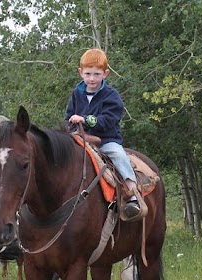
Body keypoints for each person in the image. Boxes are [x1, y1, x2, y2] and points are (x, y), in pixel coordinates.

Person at [64, 48, 146, 222]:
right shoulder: (76, 94)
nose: (92, 78)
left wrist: (85, 119)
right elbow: (68, 117)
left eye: (96, 74)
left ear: (105, 74)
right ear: (81, 73)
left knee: (118, 154)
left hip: (106, 140)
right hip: (80, 140)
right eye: (88, 73)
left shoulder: (111, 96)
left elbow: (109, 121)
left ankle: (132, 192)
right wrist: (70, 127)